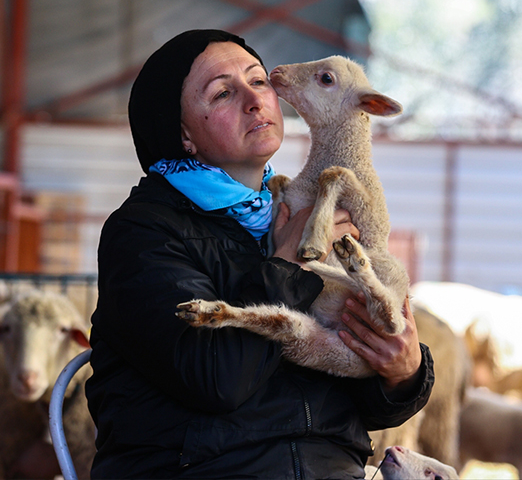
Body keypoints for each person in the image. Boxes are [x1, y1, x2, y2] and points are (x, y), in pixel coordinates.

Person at [85, 29, 434, 479]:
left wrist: (402, 372)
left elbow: (351, 395)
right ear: (182, 134)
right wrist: (288, 264)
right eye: (224, 93)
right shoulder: (144, 233)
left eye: (258, 81)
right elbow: (216, 379)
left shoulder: (298, 212)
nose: (255, 100)